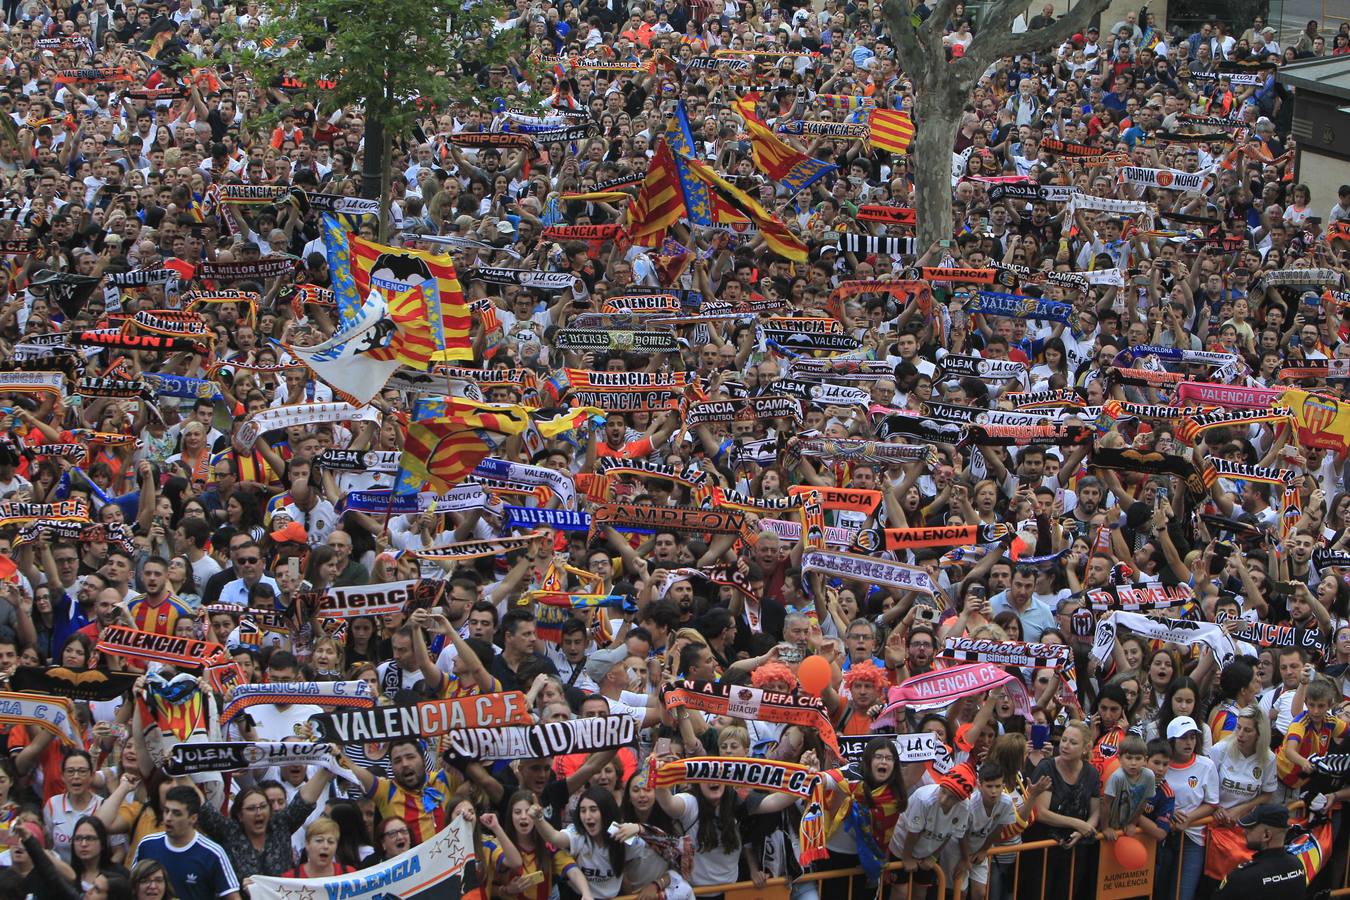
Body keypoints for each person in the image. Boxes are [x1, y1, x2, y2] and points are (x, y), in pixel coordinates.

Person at [130, 787, 241, 900]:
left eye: (176, 813)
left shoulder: (213, 853)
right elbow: (131, 885)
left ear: (193, 818)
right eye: (166, 811)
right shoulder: (147, 845)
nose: (168, 818)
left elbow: (233, 897)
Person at [1210, 804, 1307, 900]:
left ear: (1266, 835)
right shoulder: (1297, 865)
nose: (1244, 832)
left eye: (1250, 828)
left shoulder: (1243, 877)